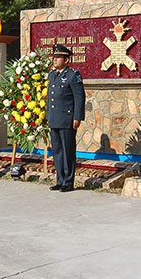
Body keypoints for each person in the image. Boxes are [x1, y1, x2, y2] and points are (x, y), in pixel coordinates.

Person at [47, 44, 86, 192]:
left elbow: (79, 97)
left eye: (58, 57)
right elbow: (49, 98)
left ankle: (68, 182)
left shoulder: (72, 75)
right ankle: (60, 179)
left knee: (68, 151)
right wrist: (48, 116)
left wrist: (78, 117)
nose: (55, 60)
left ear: (67, 60)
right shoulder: (52, 75)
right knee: (57, 151)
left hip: (67, 119)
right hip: (55, 118)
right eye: (54, 57)